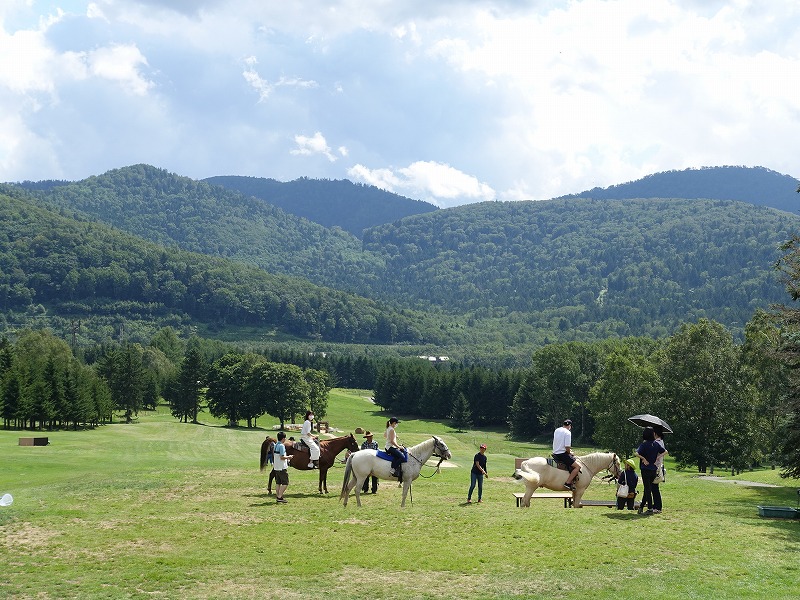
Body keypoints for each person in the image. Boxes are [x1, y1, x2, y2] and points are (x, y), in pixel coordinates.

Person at [636, 427, 666, 514]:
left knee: (648, 489)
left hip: (645, 469)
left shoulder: (644, 444)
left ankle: (649, 508)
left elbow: (636, 453)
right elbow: (665, 451)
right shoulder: (656, 444)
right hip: (653, 469)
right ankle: (641, 507)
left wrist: (643, 459)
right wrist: (658, 457)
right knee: (648, 488)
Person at [552, 419, 580, 490]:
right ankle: (568, 483)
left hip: (555, 453)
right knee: (577, 467)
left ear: (563, 424)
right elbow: (567, 447)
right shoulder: (567, 432)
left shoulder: (557, 430)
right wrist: (570, 452)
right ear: (570, 426)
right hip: (562, 454)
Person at [273, 431, 292, 503]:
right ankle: (280, 497)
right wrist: (289, 457)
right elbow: (282, 457)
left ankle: (278, 495)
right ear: (283, 438)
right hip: (281, 467)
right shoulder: (281, 446)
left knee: (278, 482)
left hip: (276, 467)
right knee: (285, 483)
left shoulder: (276, 445)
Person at [384, 417, 405, 482]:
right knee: (402, 457)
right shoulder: (392, 430)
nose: (397, 425)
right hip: (390, 447)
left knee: (397, 455)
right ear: (394, 423)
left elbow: (385, 436)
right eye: (396, 423)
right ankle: (393, 469)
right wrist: (399, 447)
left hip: (388, 446)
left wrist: (394, 436)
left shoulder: (389, 428)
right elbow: (392, 441)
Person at [653, 429, 669, 512]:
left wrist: (658, 457)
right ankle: (656, 505)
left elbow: (664, 452)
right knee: (655, 487)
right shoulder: (660, 441)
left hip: (656, 467)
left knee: (654, 488)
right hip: (658, 466)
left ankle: (657, 507)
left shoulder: (657, 442)